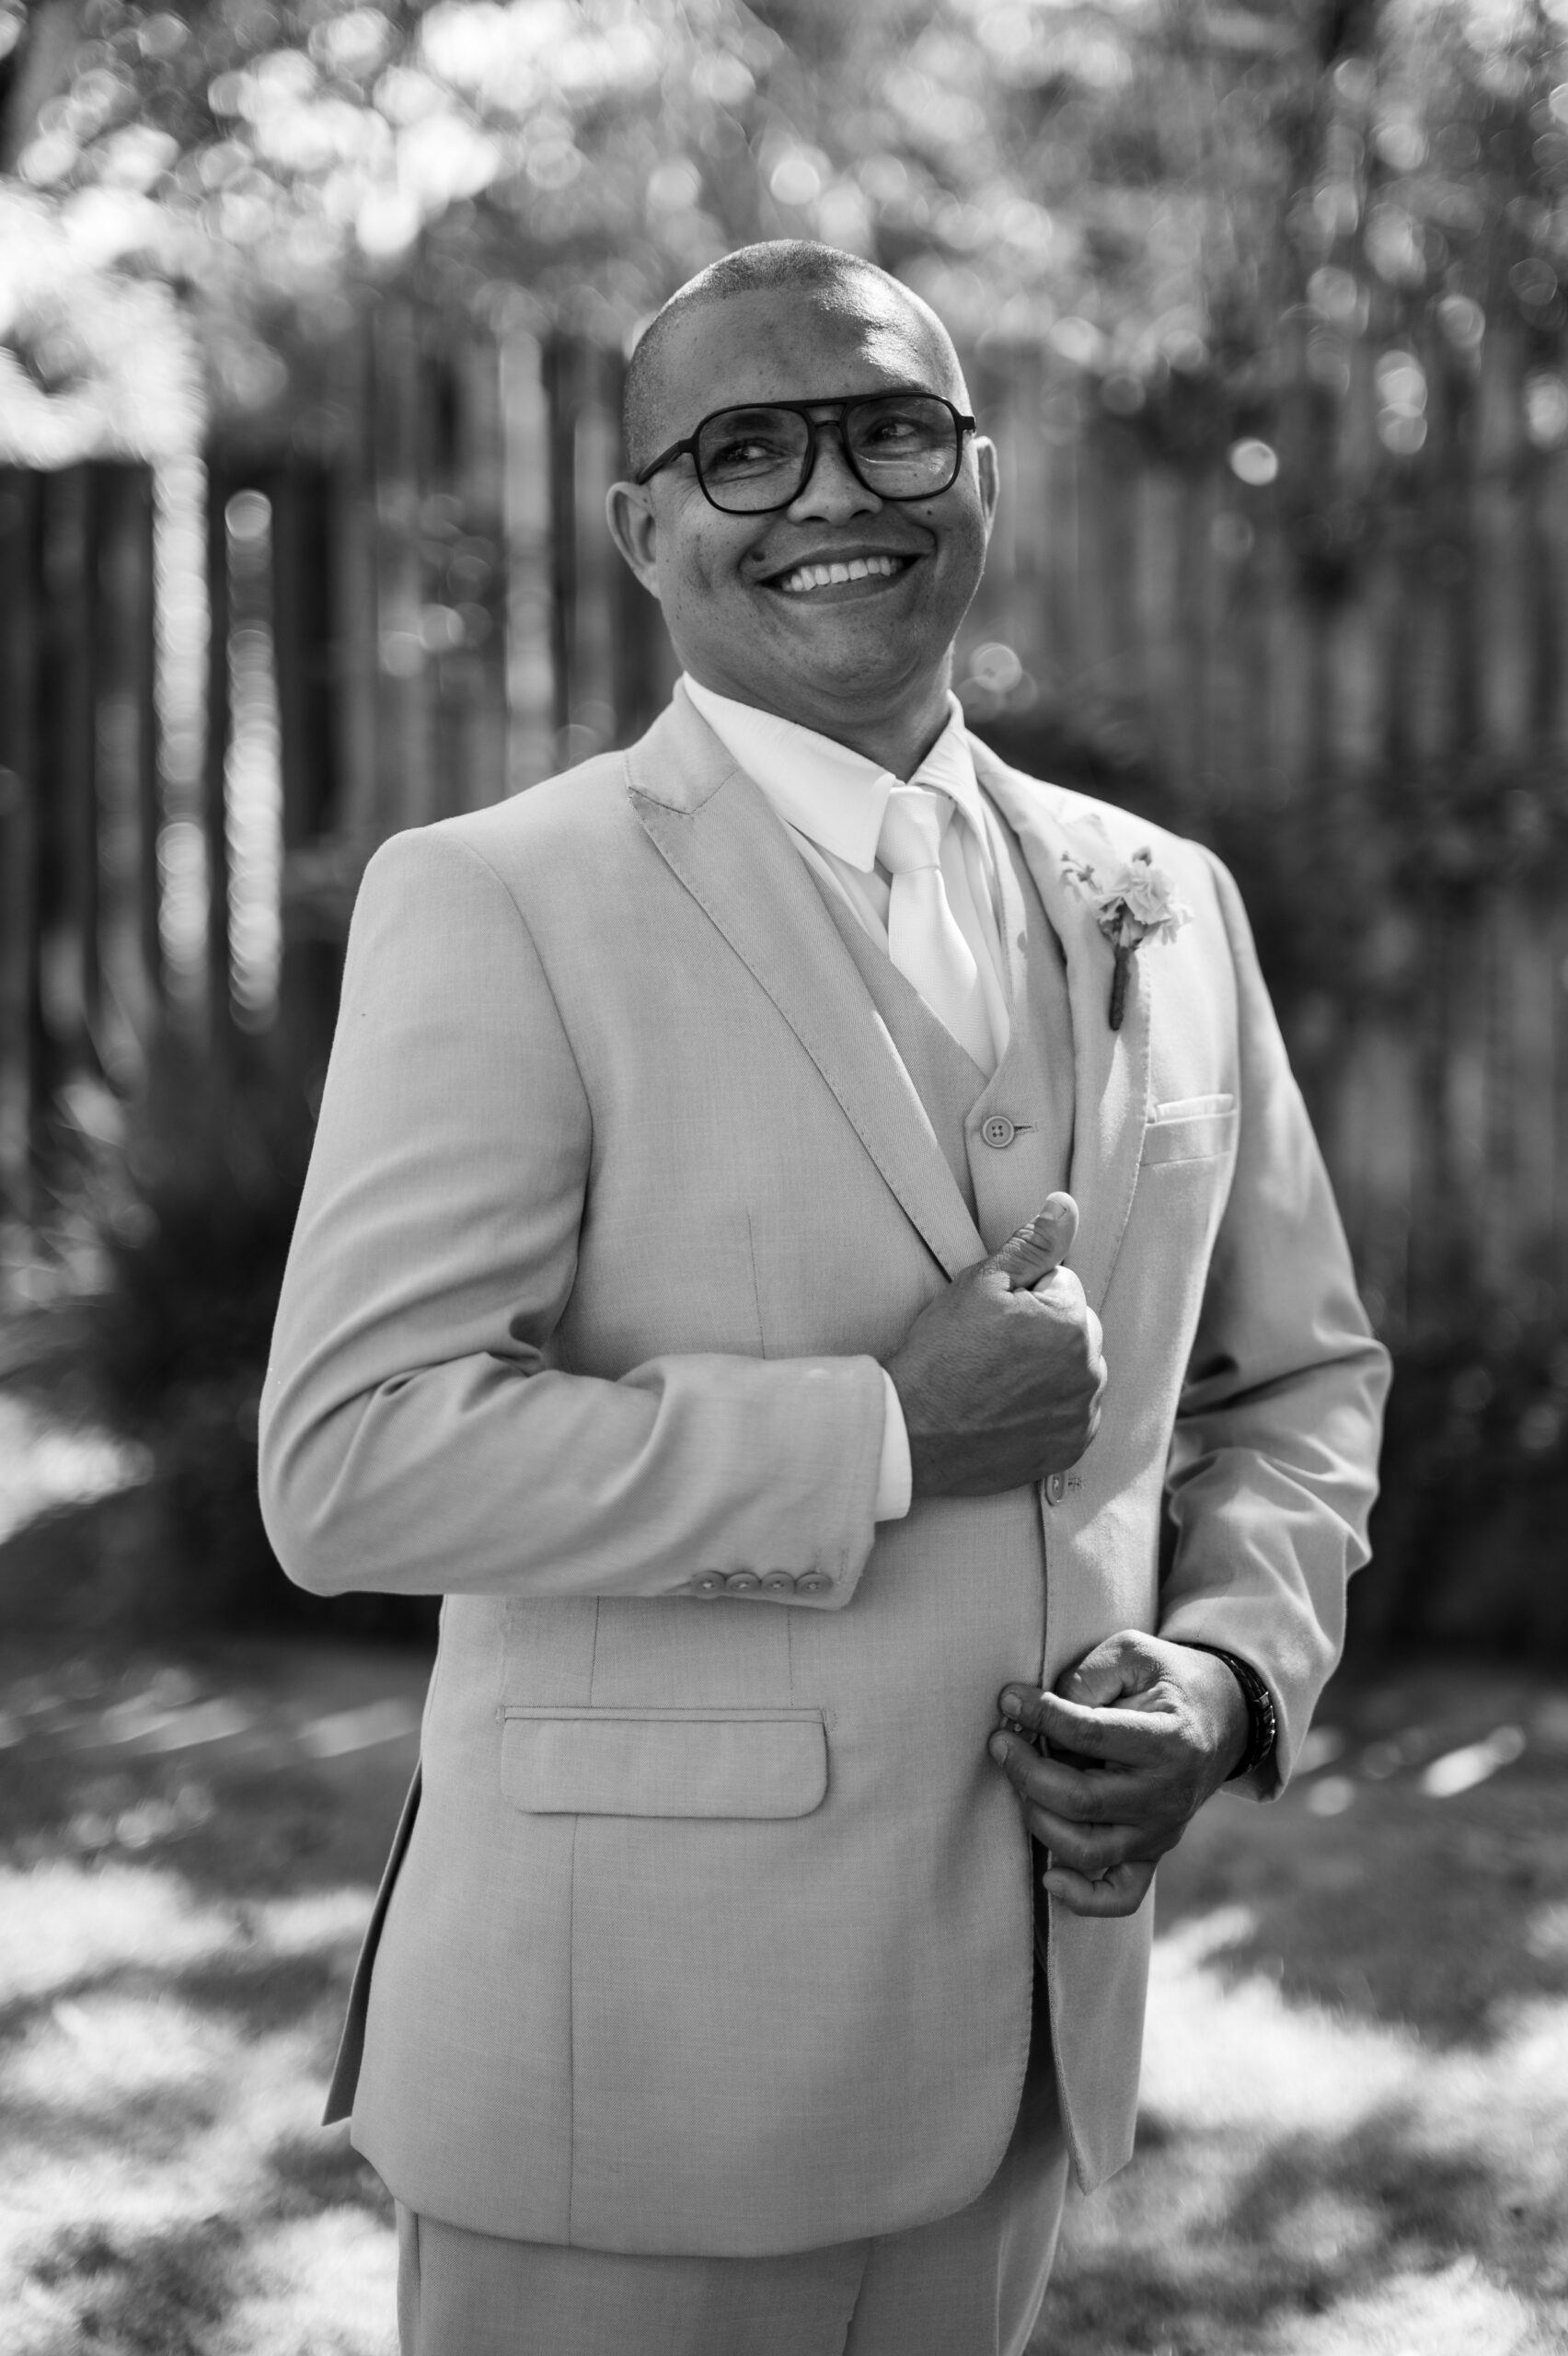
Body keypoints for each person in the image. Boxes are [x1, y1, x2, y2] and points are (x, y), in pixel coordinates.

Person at [259, 240, 1389, 2356]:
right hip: (631, 2069)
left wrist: (1232, 1673)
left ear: (981, 476)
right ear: (643, 528)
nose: (834, 493)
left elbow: (1299, 1374)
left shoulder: (1165, 898)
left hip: (1025, 2042)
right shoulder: (501, 898)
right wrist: (879, 1430)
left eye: (889, 430)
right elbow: (351, 1461)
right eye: (746, 450)